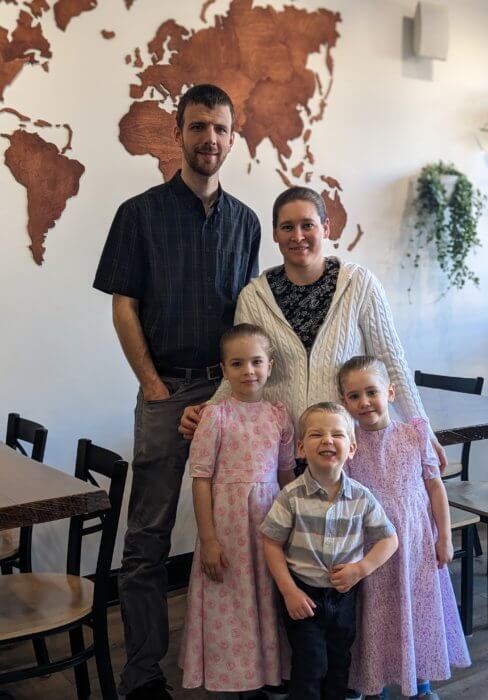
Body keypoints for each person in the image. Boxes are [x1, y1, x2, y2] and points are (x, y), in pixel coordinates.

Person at [93, 84, 261, 700]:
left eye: (219, 128)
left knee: (240, 529)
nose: (209, 139)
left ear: (232, 137)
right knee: (148, 539)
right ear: (177, 132)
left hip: (228, 396)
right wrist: (153, 385)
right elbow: (123, 306)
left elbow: (246, 316)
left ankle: (239, 658)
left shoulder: (246, 222)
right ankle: (142, 676)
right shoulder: (138, 213)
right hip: (167, 392)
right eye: (198, 127)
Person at [180, 186, 447, 473]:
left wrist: (423, 429)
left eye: (307, 225)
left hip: (346, 454)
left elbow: (391, 362)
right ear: (275, 234)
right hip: (276, 456)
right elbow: (242, 372)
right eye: (287, 227)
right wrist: (208, 410)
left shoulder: (360, 284)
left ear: (325, 227)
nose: (297, 236)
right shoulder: (254, 297)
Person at [338, 355, 471, 700]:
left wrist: (445, 536)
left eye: (372, 392)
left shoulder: (413, 434)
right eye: (354, 396)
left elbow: (434, 486)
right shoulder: (348, 444)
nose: (364, 402)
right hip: (372, 545)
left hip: (416, 540)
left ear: (391, 392)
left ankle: (421, 681)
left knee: (419, 608)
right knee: (376, 614)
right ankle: (374, 683)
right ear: (344, 401)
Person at [178, 323, 296, 697]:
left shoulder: (279, 415)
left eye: (256, 362)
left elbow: (287, 474)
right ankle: (234, 675)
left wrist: (295, 527)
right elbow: (200, 480)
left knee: (267, 595)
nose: (249, 371)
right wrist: (208, 539)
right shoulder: (214, 417)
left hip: (269, 523)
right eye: (238, 363)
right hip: (227, 529)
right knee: (231, 599)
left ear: (270, 364)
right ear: (224, 369)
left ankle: (268, 672)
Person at [260, 402, 398, 700]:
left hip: (344, 595)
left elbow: (390, 540)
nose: (327, 440)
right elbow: (270, 542)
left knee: (339, 661)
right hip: (303, 595)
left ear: (351, 448)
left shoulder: (361, 497)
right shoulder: (291, 497)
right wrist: (288, 591)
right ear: (300, 447)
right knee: (310, 664)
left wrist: (362, 568)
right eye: (316, 434)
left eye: (337, 434)